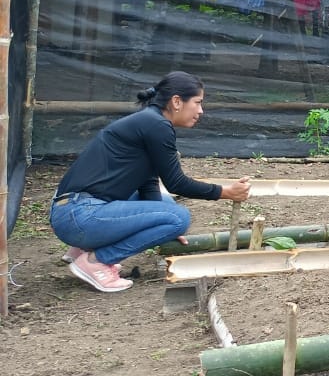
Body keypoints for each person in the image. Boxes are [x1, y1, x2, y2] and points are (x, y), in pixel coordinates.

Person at [48, 72, 252, 292]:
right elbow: (177, 183)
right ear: (176, 101)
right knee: (179, 217)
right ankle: (96, 262)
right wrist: (225, 192)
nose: (201, 111)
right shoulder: (157, 125)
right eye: (197, 102)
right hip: (79, 217)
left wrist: (163, 224)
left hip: (72, 212)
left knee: (168, 207)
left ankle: (81, 249)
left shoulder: (149, 121)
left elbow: (148, 183)